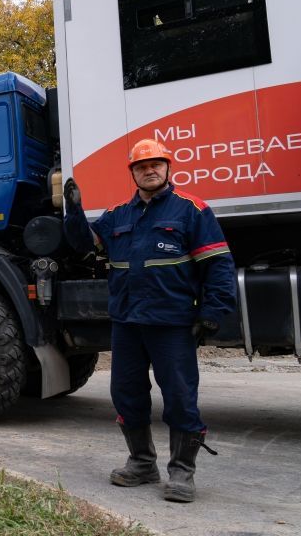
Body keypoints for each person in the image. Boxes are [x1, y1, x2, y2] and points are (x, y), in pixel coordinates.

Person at [63, 138, 236, 503]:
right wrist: (74, 211)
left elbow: (218, 264)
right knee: (126, 392)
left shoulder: (192, 210)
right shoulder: (118, 215)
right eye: (142, 166)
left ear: (168, 167)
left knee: (179, 395)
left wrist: (213, 312)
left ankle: (182, 472)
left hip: (171, 322)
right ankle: (142, 463)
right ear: (133, 173)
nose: (150, 170)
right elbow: (84, 246)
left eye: (156, 164)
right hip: (127, 321)